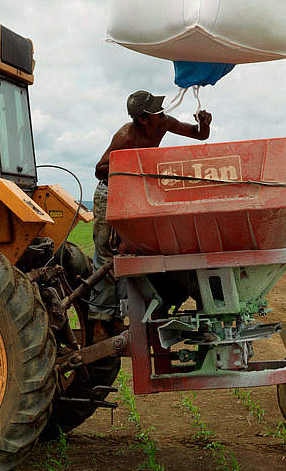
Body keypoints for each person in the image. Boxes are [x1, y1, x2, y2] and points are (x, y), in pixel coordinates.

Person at [87, 91, 212, 319]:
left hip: (134, 191)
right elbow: (99, 170)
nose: (162, 113)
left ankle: (123, 312)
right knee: (105, 253)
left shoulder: (163, 124)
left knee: (130, 251)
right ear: (143, 119)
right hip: (111, 191)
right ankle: (101, 316)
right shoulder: (125, 136)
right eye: (157, 110)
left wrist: (204, 124)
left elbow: (198, 135)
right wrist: (134, 165)